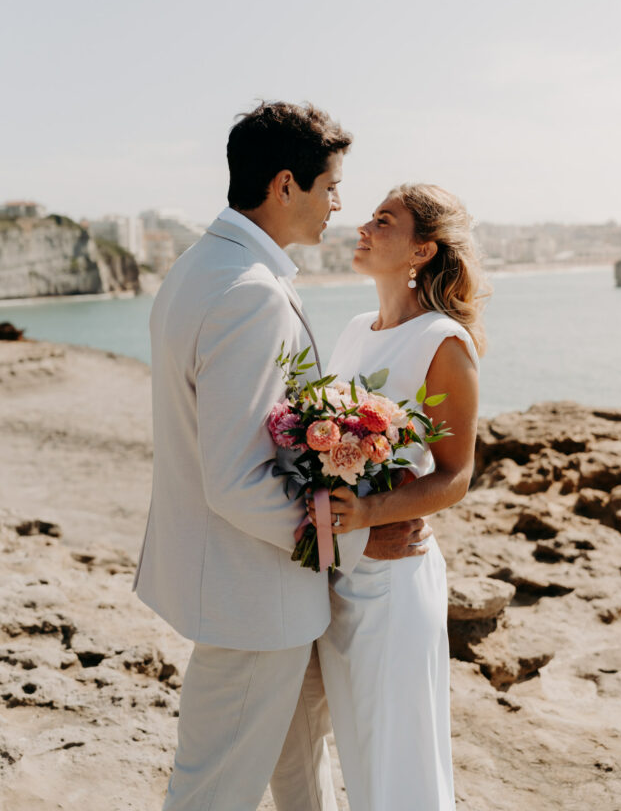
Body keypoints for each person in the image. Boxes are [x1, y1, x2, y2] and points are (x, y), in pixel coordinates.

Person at [132, 101, 432, 811]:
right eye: (331, 187)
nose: (338, 205)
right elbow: (237, 481)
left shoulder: (204, 266)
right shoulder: (248, 293)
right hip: (250, 598)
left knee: (303, 779)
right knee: (211, 791)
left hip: (250, 593)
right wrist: (351, 532)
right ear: (286, 184)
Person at [310, 183, 489, 811]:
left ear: (421, 250)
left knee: (401, 761)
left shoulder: (443, 341)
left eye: (383, 221)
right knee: (359, 753)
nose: (363, 226)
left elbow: (456, 474)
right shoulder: (357, 329)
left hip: (393, 578)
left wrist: (371, 512)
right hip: (340, 571)